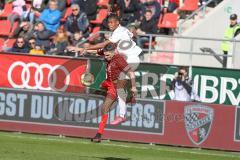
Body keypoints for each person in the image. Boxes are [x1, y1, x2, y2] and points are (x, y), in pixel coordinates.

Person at [68, 14, 142, 125]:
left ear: (117, 22)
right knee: (118, 86)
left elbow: (103, 44)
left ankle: (122, 115)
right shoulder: (123, 30)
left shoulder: (118, 33)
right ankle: (128, 99)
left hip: (130, 59)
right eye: (109, 23)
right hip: (131, 58)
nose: (110, 24)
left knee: (119, 86)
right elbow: (131, 34)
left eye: (112, 22)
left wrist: (86, 47)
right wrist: (82, 49)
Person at [84, 44, 137, 142]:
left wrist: (134, 86)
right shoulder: (107, 54)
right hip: (108, 82)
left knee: (104, 107)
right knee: (97, 89)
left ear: (114, 52)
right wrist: (83, 49)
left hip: (115, 85)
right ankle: (128, 99)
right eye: (105, 55)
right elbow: (96, 51)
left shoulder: (119, 59)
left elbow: (131, 72)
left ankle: (99, 134)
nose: (106, 57)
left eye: (108, 55)